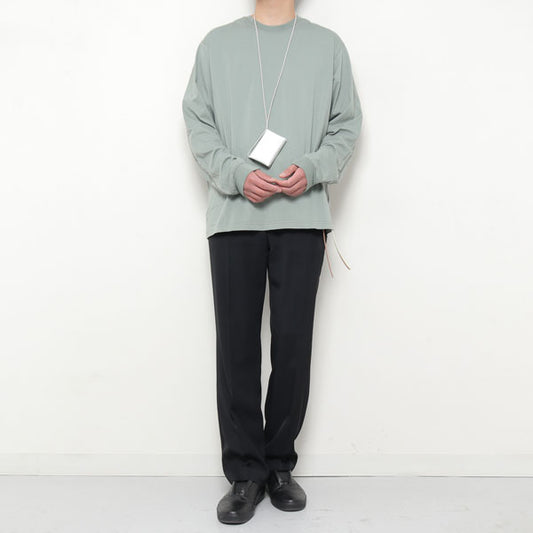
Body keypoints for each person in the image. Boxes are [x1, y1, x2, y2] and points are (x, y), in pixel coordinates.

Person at [181, 0, 362, 524]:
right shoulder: (216, 45)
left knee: (292, 344)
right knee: (235, 346)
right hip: (233, 217)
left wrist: (314, 167)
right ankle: (245, 473)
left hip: (302, 217)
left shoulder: (328, 47)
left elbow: (346, 126)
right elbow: (198, 124)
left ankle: (279, 465)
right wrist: (236, 174)